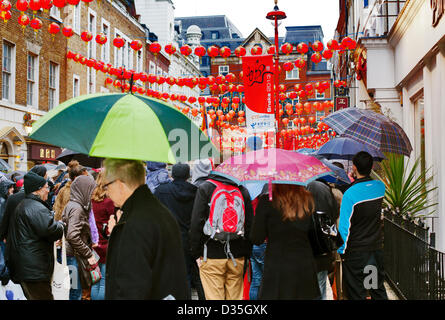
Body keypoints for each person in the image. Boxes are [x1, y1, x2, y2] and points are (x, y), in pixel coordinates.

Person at [103, 159, 188, 300]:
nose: (107, 192)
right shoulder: (157, 212)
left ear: (119, 184)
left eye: (107, 186)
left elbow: (131, 289)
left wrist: (121, 233)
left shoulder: (135, 223)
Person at [250, 184, 321, 300]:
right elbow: (313, 232)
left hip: (277, 265)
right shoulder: (307, 199)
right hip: (304, 263)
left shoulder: (267, 201)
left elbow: (256, 238)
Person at [190, 172, 253, 300]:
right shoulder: (242, 190)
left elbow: (196, 223)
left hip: (211, 254)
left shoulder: (205, 188)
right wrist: (246, 254)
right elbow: (249, 225)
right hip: (237, 255)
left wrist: (196, 253)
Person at [6, 171, 64, 300]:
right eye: (46, 188)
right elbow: (51, 229)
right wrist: (61, 225)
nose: (48, 191)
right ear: (37, 190)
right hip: (33, 269)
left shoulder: (27, 205)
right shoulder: (35, 207)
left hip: (28, 267)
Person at [337, 151, 388, 300]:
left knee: (357, 292)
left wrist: (342, 250)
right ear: (371, 166)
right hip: (375, 250)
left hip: (356, 254)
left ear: (354, 167)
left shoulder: (350, 194)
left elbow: (344, 227)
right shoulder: (380, 187)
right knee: (375, 288)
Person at [154, 163, 205, 300]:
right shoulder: (197, 191)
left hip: (168, 240)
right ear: (188, 175)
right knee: (189, 274)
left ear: (172, 174)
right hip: (190, 239)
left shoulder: (161, 191)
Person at [62, 175, 97, 301]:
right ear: (84, 189)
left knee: (74, 291)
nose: (93, 192)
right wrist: (88, 253)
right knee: (75, 293)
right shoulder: (77, 209)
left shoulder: (73, 205)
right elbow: (72, 235)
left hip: (72, 255)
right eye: (91, 189)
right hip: (74, 256)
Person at [307, 180, 340, 300]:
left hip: (306, 248)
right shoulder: (326, 190)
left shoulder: (303, 189)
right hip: (323, 247)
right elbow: (335, 213)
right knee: (321, 283)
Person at [0, 165, 47, 243]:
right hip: (31, 241)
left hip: (16, 239)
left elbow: (6, 219)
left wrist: (3, 235)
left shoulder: (14, 198)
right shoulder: (39, 199)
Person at [90, 171, 116, 300]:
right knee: (104, 280)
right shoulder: (109, 201)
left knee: (95, 280)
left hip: (93, 243)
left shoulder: (92, 198)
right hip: (106, 244)